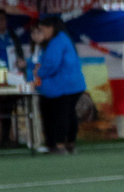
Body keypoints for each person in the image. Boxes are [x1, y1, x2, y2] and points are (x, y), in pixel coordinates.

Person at [31, 15, 86, 155]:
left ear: (51, 28)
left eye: (42, 30)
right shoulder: (65, 38)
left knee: (60, 116)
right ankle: (70, 144)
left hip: (62, 86)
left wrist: (39, 73)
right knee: (69, 115)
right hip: (74, 85)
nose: (42, 33)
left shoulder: (56, 42)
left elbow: (51, 64)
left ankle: (59, 145)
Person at [0, 11, 28, 148]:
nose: (1, 22)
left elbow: (19, 55)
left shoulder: (12, 36)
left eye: (3, 19)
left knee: (8, 110)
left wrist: (21, 68)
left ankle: (6, 138)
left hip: (11, 79)